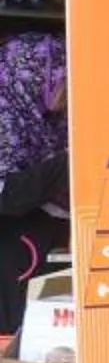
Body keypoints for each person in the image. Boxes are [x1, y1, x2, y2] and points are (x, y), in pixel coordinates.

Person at [0, 32, 67, 344]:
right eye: (57, 78)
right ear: (31, 76)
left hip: (40, 240)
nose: (66, 91)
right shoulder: (5, 116)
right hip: (13, 246)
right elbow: (8, 196)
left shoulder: (47, 119)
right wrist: (62, 166)